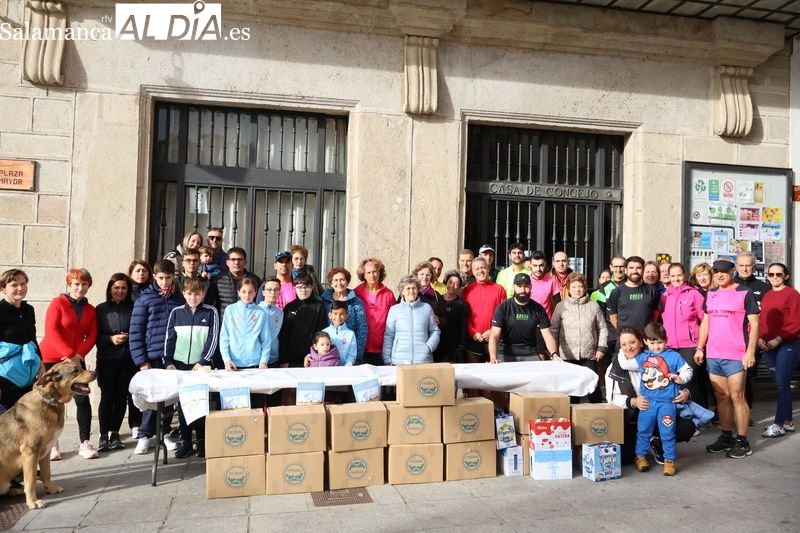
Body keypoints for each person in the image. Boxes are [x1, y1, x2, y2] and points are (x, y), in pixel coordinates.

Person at [694, 258, 760, 459]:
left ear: (732, 272)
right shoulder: (711, 294)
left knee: (737, 397)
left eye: (724, 271)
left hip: (736, 354)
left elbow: (755, 325)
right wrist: (700, 348)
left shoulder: (744, 293)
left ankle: (743, 441)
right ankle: (726, 436)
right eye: (716, 271)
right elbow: (705, 323)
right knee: (721, 397)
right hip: (714, 354)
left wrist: (750, 352)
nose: (720, 275)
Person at [605, 327, 694, 466]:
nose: (628, 347)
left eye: (632, 342)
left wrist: (686, 393)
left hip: (664, 405)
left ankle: (660, 447)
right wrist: (633, 401)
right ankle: (642, 451)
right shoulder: (617, 367)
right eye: (624, 344)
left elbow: (682, 374)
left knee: (684, 427)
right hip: (633, 417)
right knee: (624, 456)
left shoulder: (664, 357)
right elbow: (611, 399)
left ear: (641, 342)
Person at [40, 268, 98, 460]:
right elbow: (51, 331)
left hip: (75, 361)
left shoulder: (90, 310)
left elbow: (92, 335)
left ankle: (84, 442)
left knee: (82, 399)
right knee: (51, 401)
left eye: (84, 284)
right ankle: (51, 444)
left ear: (89, 286)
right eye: (76, 284)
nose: (80, 288)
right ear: (69, 284)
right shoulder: (58, 303)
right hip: (51, 358)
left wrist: (78, 355)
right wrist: (69, 354)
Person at [129, 260, 185, 455]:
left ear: (174, 277)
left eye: (168, 278)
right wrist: (141, 360)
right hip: (152, 356)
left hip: (173, 356)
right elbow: (136, 331)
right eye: (160, 278)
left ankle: (165, 433)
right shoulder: (145, 299)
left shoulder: (180, 298)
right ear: (154, 276)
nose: (164, 282)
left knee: (169, 397)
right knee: (151, 398)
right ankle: (144, 435)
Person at [164, 277, 219, 458]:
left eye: (197, 294)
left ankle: (202, 442)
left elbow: (213, 339)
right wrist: (168, 361)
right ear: (183, 294)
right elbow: (169, 339)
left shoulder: (211, 312)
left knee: (201, 404)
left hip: (201, 366)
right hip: (180, 366)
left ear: (203, 294)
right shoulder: (176, 313)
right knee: (184, 406)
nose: (193, 298)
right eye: (189, 294)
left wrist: (203, 360)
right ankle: (186, 442)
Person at [550, 272, 608, 403]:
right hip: (567, 356)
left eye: (580, 286)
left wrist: (601, 348)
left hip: (589, 355)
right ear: (568, 289)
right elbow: (554, 330)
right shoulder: (561, 306)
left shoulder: (594, 306)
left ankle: (598, 413)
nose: (577, 289)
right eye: (574, 287)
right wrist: (554, 353)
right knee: (571, 393)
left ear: (585, 288)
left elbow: (603, 328)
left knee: (594, 390)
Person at [94, 273, 136, 452]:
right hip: (107, 360)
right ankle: (103, 435)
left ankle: (115, 433)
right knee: (107, 397)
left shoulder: (134, 307)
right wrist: (110, 339)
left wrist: (129, 336)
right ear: (110, 289)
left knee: (121, 398)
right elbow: (94, 336)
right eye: (116, 287)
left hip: (127, 360)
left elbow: (140, 331)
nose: (120, 291)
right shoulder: (101, 309)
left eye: (124, 288)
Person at [758, 263, 800, 438]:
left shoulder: (792, 294)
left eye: (778, 274)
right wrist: (759, 338)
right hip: (769, 345)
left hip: (787, 344)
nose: (774, 277)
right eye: (771, 274)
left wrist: (779, 339)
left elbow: (796, 321)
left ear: (786, 276)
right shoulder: (767, 295)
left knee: (782, 383)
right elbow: (762, 320)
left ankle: (778, 424)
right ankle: (788, 421)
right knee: (781, 384)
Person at [661, 262, 707, 407]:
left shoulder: (694, 294)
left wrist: (701, 347)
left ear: (685, 275)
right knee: (674, 380)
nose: (676, 279)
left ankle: (700, 413)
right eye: (673, 276)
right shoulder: (665, 296)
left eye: (679, 275)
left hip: (690, 345)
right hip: (670, 345)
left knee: (690, 381)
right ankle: (681, 414)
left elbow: (705, 320)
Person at [488, 273, 558, 363]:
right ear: (513, 287)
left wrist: (554, 354)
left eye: (526, 286)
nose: (523, 290)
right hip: (505, 352)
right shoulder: (503, 308)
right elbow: (494, 335)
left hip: (530, 352)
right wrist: (493, 357)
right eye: (519, 286)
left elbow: (547, 335)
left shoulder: (539, 309)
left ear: (531, 287)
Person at [0, 269, 43, 412]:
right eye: (14, 285)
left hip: (28, 374)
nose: (20, 288)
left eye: (23, 284)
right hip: (6, 376)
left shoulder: (28, 310)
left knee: (26, 418)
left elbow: (32, 339)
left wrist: (41, 363)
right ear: (2, 289)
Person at [734, 251, 770, 413]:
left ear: (754, 266)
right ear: (736, 267)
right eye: (741, 265)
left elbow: (767, 316)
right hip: (732, 338)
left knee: (747, 376)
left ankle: (745, 411)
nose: (744, 269)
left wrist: (761, 336)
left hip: (753, 339)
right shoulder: (729, 285)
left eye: (748, 265)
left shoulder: (764, 288)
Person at [382, 275, 440, 366]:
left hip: (423, 360)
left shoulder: (426, 308)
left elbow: (435, 331)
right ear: (402, 291)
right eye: (408, 288)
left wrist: (429, 347)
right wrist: (387, 359)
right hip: (399, 361)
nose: (411, 291)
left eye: (414, 288)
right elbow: (389, 336)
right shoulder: (394, 310)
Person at [461, 257, 507, 364]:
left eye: (483, 268)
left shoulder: (499, 289)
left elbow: (504, 315)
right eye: (477, 269)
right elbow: (464, 315)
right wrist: (473, 333)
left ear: (488, 269)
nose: (480, 271)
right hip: (473, 339)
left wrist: (493, 331)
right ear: (473, 272)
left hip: (494, 338)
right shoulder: (467, 290)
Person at [279, 274, 329, 369]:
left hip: (312, 357)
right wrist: (283, 360)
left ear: (312, 287)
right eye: (299, 287)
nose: (303, 290)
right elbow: (284, 335)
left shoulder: (319, 306)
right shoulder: (289, 308)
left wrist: (315, 355)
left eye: (306, 287)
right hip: (291, 358)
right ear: (294, 288)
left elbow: (321, 334)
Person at [220, 278, 269, 371]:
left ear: (255, 293)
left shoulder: (261, 312)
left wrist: (264, 360)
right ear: (238, 292)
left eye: (250, 292)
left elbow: (266, 340)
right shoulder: (230, 310)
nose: (247, 295)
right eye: (244, 292)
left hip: (255, 363)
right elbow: (224, 337)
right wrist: (226, 359)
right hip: (233, 363)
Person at [320, 267, 368, 363]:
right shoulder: (323, 301)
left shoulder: (355, 301)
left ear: (347, 282)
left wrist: (356, 355)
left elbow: (362, 327)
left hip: (349, 352)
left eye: (342, 280)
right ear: (331, 283)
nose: (339, 283)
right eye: (335, 280)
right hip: (327, 353)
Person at [354, 258, 396, 366]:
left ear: (379, 273)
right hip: (362, 347)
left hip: (382, 347)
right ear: (363, 275)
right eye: (368, 272)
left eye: (375, 271)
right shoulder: (356, 293)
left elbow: (395, 319)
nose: (372, 275)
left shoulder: (388, 294)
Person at [607, 255, 662, 334]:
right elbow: (613, 317)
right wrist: (623, 334)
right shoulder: (617, 292)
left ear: (643, 270)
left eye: (638, 268)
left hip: (646, 338)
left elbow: (655, 316)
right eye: (631, 268)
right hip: (625, 339)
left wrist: (649, 333)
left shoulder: (652, 291)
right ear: (626, 270)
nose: (635, 271)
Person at [205, 246, 262, 319]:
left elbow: (259, 303)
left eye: (239, 259)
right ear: (227, 263)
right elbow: (210, 303)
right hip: (225, 322)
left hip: (248, 321)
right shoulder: (219, 279)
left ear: (245, 262)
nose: (236, 262)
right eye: (233, 259)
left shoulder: (254, 280)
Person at [412, 261, 448, 359]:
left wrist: (439, 320)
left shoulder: (437, 296)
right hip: (413, 342)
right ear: (416, 276)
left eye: (428, 275)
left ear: (432, 277)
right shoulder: (409, 293)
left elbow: (445, 319)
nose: (425, 277)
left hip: (433, 345)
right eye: (421, 274)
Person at [439, 270, 469, 364]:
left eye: (456, 284)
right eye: (450, 282)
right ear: (446, 283)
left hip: (454, 345)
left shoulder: (462, 304)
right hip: (439, 343)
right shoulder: (438, 299)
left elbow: (463, 327)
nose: (452, 286)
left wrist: (461, 346)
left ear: (459, 287)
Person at [258, 276, 284, 368]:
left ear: (279, 292)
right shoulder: (256, 310)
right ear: (263, 292)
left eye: (276, 290)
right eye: (269, 290)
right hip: (257, 359)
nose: (272, 293)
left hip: (274, 358)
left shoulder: (280, 313)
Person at [323, 301, 357, 366]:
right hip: (327, 368)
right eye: (335, 314)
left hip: (344, 368)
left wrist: (346, 367)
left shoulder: (350, 334)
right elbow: (318, 350)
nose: (338, 317)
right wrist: (309, 356)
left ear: (346, 316)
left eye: (341, 314)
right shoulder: (324, 332)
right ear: (330, 315)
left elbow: (352, 355)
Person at [529, 251, 560, 318]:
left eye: (541, 265)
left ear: (545, 264)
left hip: (546, 321)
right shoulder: (526, 281)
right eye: (535, 265)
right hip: (529, 321)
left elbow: (558, 305)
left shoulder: (552, 281)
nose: (538, 269)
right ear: (530, 265)